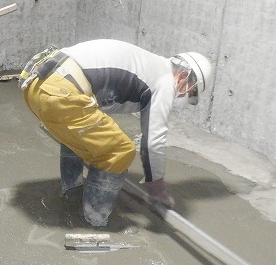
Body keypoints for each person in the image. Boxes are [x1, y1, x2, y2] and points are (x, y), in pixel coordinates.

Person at [18, 39, 214, 227]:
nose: (185, 96)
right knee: (120, 151)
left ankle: (72, 192)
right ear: (183, 76)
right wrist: (156, 190)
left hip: (38, 84)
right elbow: (152, 143)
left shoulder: (149, 64)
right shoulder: (166, 81)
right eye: (191, 92)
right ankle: (94, 218)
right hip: (61, 91)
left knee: (86, 134)